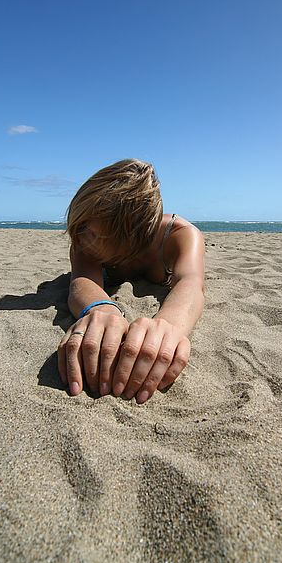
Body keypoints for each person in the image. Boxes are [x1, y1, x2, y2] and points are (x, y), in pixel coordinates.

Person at [57, 159, 205, 404]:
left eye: (91, 233)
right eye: (79, 225)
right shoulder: (83, 240)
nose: (79, 238)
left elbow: (190, 282)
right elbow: (82, 279)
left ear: (129, 232)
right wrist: (101, 309)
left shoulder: (179, 235)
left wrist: (168, 325)